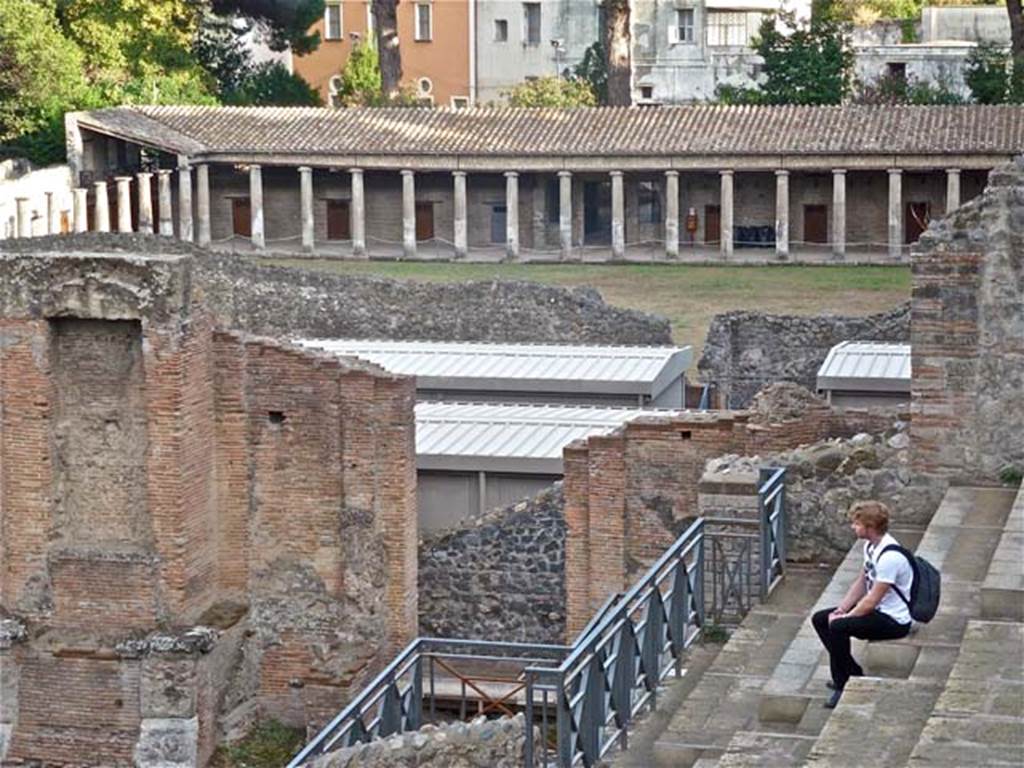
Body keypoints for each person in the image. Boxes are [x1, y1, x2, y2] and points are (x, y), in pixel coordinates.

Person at [811, 500, 913, 709]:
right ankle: (850, 671)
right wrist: (842, 608)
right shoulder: (870, 547)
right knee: (821, 619)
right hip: (878, 610)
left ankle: (843, 682)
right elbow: (861, 582)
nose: (853, 527)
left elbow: (871, 600)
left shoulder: (890, 557)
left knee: (838, 627)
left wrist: (845, 618)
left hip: (893, 620)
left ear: (870, 527)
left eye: (857, 524)